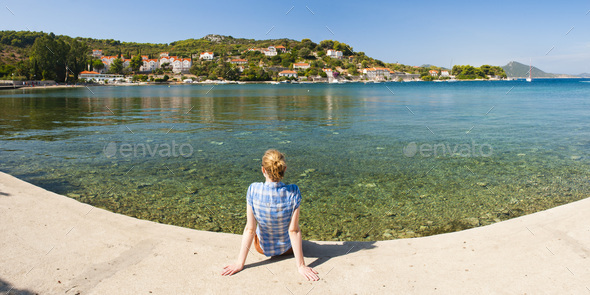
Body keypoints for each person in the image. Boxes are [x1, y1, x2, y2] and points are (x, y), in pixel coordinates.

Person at [222, 149, 319, 281]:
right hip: (287, 249)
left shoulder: (253, 189)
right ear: (284, 169)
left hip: (261, 249)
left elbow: (250, 229)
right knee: (295, 226)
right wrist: (301, 265)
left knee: (255, 227)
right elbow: (294, 231)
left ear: (263, 170)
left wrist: (240, 263)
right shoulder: (294, 191)